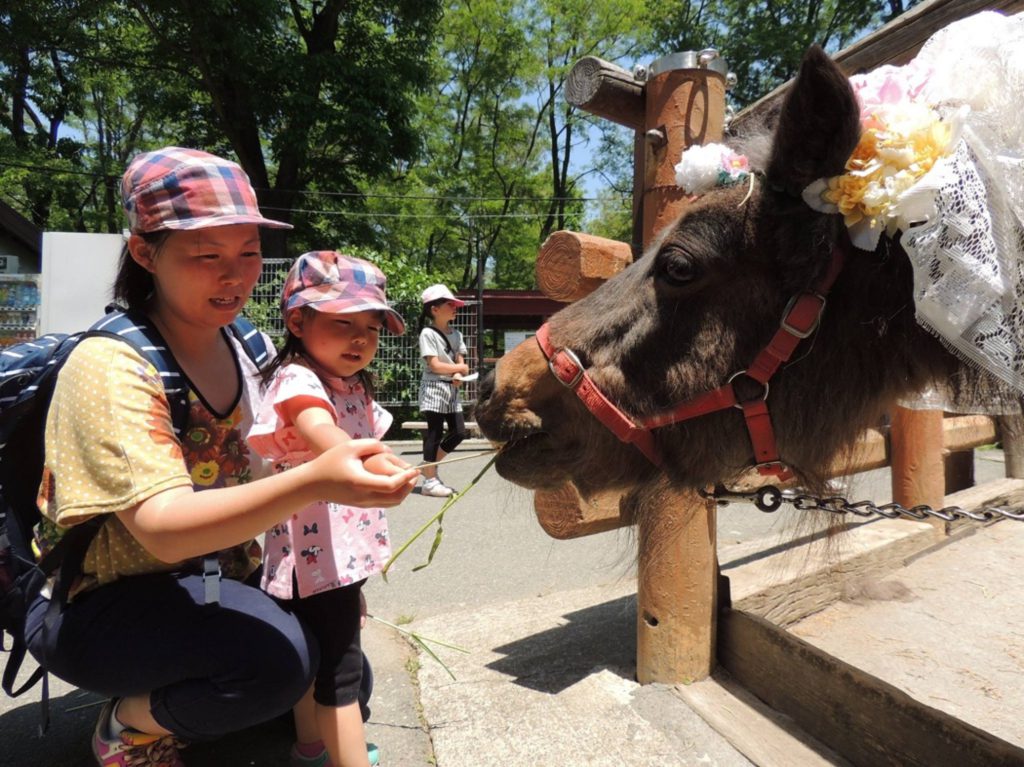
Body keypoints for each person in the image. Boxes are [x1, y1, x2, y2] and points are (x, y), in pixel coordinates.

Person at [23, 147, 419, 767]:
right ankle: (127, 724)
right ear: (144, 252)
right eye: (207, 256)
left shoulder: (247, 344)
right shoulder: (111, 366)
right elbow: (164, 530)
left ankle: (213, 696)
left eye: (249, 253)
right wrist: (319, 477)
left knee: (340, 675)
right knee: (277, 664)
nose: (235, 277)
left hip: (218, 579)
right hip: (110, 602)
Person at [248, 250, 405, 767]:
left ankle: (310, 746)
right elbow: (325, 433)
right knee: (342, 670)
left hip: (335, 554)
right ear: (297, 320)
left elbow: (362, 435)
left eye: (371, 327)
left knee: (312, 658)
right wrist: (380, 465)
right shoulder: (298, 381)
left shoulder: (350, 383)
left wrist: (385, 461)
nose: (360, 339)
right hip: (319, 560)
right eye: (343, 324)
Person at [417, 284, 470, 497]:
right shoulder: (427, 333)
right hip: (433, 388)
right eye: (450, 304)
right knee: (435, 432)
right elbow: (435, 365)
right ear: (434, 309)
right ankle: (430, 480)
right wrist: (460, 369)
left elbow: (460, 360)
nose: (455, 308)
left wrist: (459, 374)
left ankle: (428, 466)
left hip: (452, 389)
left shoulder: (456, 334)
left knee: (459, 432)